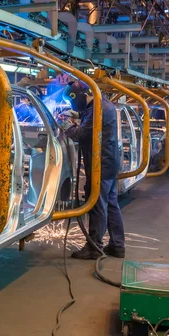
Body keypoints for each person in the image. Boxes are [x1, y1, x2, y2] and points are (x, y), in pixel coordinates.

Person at [58, 81, 125, 259]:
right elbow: (89, 117)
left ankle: (94, 248)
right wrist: (76, 114)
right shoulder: (101, 104)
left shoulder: (97, 109)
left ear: (80, 96)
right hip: (109, 162)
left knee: (97, 204)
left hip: (100, 164)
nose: (72, 105)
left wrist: (66, 125)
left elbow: (80, 135)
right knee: (111, 204)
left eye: (72, 102)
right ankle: (117, 246)